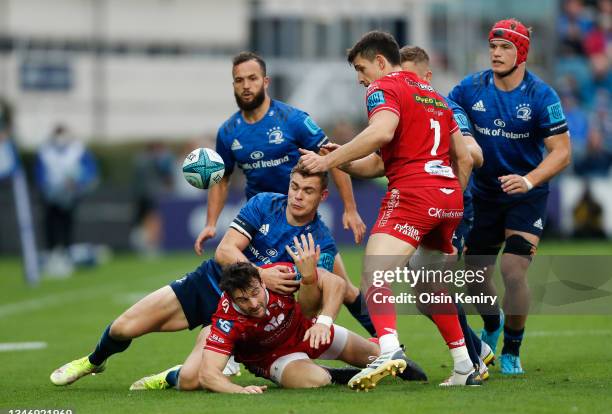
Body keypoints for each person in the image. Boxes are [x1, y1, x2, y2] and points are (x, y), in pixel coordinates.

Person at [50, 166, 423, 388]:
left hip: (252, 316)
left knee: (195, 381)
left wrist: (311, 287)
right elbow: (225, 252)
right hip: (211, 284)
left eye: (308, 191)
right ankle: (93, 360)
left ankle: (174, 375)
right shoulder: (264, 204)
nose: (297, 196)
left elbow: (327, 293)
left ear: (322, 196)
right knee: (124, 327)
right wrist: (261, 275)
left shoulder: (320, 243)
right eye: (295, 187)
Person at [300, 31, 478, 388]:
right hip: (447, 197)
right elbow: (462, 157)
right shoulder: (435, 96)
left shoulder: (383, 89)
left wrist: (327, 162)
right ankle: (464, 366)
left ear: (380, 61)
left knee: (374, 273)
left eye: (361, 68)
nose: (360, 78)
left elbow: (381, 132)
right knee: (429, 287)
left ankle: (389, 350)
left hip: (414, 194)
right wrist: (344, 159)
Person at [195, 51, 375, 337]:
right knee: (245, 289)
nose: (245, 85)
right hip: (262, 225)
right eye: (238, 80)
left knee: (342, 288)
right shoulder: (228, 131)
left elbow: (333, 156)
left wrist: (350, 208)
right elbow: (222, 178)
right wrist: (210, 222)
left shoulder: (292, 119)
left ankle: (388, 345)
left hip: (301, 223)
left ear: (265, 81)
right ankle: (230, 354)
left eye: (252, 78)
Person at [447, 18, 571, 374]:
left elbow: (562, 151)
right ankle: (492, 321)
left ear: (522, 53)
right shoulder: (471, 89)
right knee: (474, 276)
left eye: (506, 48)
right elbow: (447, 109)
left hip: (525, 195)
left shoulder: (541, 95)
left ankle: (512, 349)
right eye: (493, 47)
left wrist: (529, 181)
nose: (496, 54)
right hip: (484, 195)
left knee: (513, 270)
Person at [398, 45, 494, 379]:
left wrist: (452, 178)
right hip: (422, 207)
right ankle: (476, 348)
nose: (403, 82)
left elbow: (475, 153)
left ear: (427, 77)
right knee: (425, 295)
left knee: (433, 287)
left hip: (449, 208)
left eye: (409, 75)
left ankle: (471, 362)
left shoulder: (446, 107)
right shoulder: (403, 107)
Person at [197, 262, 393, 393]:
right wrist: (240, 390)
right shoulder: (227, 318)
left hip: (308, 331)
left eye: (255, 292)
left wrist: (324, 322)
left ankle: (379, 347)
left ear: (262, 282)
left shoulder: (280, 274)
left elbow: (335, 282)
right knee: (317, 381)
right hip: (273, 358)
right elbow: (208, 375)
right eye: (243, 300)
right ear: (232, 299)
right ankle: (331, 372)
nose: (254, 303)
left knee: (377, 357)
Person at [34, 124, 98, 276]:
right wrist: (45, 188)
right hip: (51, 195)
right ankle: (52, 255)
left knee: (67, 225)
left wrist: (78, 183)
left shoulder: (78, 149)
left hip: (70, 194)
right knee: (51, 224)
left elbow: (89, 171)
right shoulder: (45, 151)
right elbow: (40, 173)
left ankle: (66, 255)